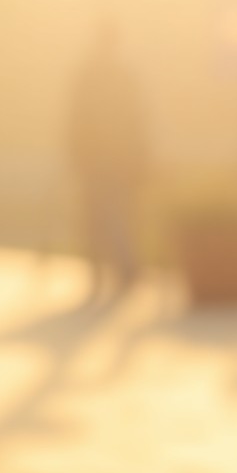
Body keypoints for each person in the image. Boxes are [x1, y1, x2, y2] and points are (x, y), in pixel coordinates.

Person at [66, 24, 150, 303]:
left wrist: (76, 152)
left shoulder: (90, 75)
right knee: (116, 215)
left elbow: (76, 118)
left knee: (99, 218)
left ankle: (103, 273)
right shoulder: (121, 75)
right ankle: (121, 270)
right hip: (114, 159)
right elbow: (136, 119)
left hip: (99, 159)